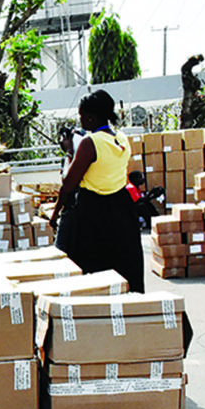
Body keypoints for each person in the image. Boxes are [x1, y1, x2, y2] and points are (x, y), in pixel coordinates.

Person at [55, 89, 144, 293]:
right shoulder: (121, 139)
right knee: (124, 262)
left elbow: (69, 184)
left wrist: (69, 152)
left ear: (90, 116)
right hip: (122, 208)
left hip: (94, 210)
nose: (80, 120)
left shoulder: (89, 143)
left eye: (81, 115)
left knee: (92, 266)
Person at [51, 126, 86, 255]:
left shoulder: (75, 157)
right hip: (81, 208)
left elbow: (66, 187)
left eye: (62, 139)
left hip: (74, 209)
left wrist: (55, 213)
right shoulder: (71, 157)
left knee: (62, 248)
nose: (60, 143)